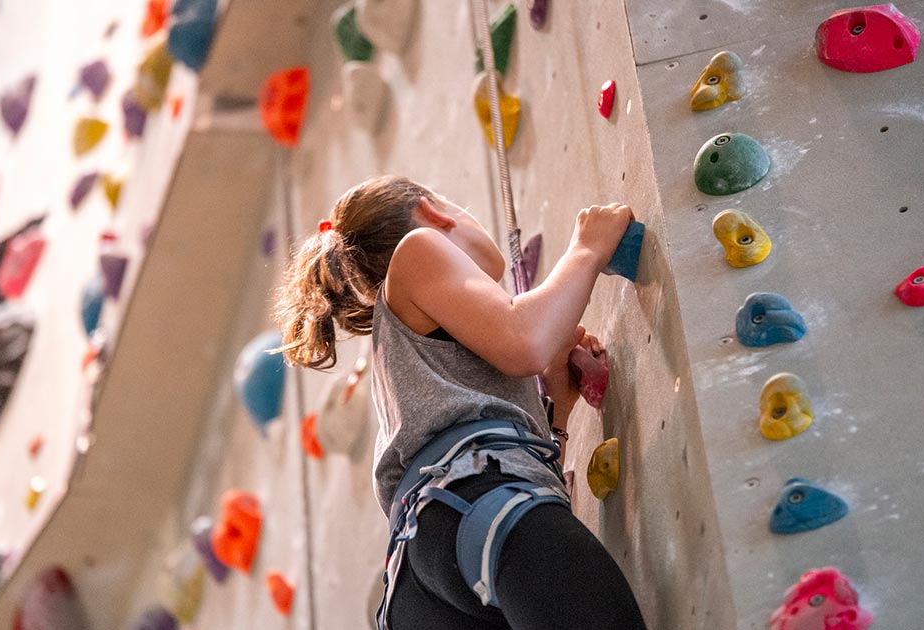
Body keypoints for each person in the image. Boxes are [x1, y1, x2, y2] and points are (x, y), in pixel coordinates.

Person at [276, 175, 647, 630]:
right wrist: (588, 247)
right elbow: (525, 340)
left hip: (429, 581)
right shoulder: (419, 250)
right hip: (472, 513)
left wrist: (556, 412)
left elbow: (510, 474)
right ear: (435, 211)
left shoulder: (410, 368)